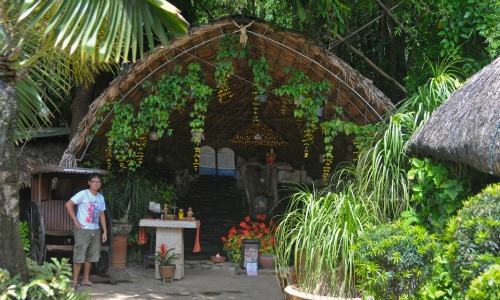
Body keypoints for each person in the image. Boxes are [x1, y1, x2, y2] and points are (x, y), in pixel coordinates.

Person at [65, 173, 107, 288]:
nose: (96, 183)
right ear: (89, 183)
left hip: (96, 229)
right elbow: (68, 204)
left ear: (100, 184)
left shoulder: (100, 197)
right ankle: (74, 282)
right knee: (79, 256)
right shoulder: (83, 194)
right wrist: (76, 221)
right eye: (94, 181)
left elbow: (102, 215)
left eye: (98, 182)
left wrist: (105, 231)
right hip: (83, 230)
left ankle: (85, 279)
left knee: (91, 256)